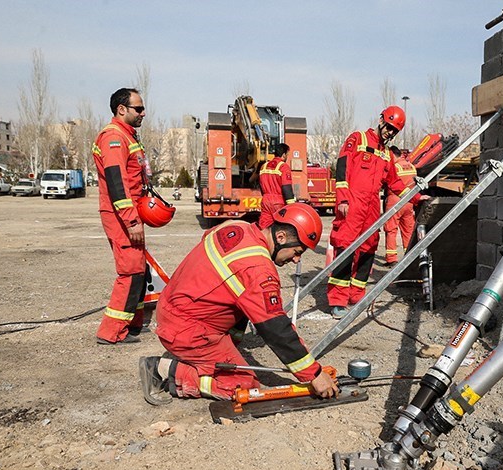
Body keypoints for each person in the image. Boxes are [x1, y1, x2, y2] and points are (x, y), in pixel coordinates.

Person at [138, 203, 340, 405]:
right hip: (186, 330)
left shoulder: (236, 226)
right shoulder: (257, 269)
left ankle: (216, 351)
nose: (296, 260)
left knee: (238, 298)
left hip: (173, 307)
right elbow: (276, 328)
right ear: (281, 237)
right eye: (297, 251)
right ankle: (164, 370)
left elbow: (207, 238)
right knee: (244, 386)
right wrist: (314, 374)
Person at [326, 106, 407, 319]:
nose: (390, 132)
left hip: (371, 207)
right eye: (389, 127)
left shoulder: (386, 154)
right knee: (345, 246)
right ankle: (338, 300)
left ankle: (356, 296)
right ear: (381, 120)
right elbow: (342, 168)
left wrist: (415, 196)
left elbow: (394, 182)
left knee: (368, 247)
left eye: (394, 131)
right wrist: (343, 198)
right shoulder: (358, 139)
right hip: (352, 203)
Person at [92, 87, 152, 345]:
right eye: (138, 108)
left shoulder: (127, 136)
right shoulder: (113, 138)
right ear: (121, 109)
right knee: (131, 270)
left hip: (129, 213)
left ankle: (132, 323)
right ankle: (111, 332)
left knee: (140, 269)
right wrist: (131, 220)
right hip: (121, 215)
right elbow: (117, 183)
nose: (143, 113)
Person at [383, 146, 430, 267]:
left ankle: (391, 258)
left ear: (393, 155)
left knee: (391, 229)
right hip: (410, 201)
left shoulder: (395, 167)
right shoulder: (411, 166)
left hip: (395, 199)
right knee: (408, 230)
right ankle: (409, 256)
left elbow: (388, 183)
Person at [258, 142, 296, 229]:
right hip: (278, 201)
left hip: (266, 200)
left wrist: (266, 196)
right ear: (284, 155)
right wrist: (291, 205)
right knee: (281, 227)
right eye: (287, 154)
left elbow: (261, 185)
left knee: (264, 226)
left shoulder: (264, 166)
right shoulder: (283, 167)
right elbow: (286, 187)